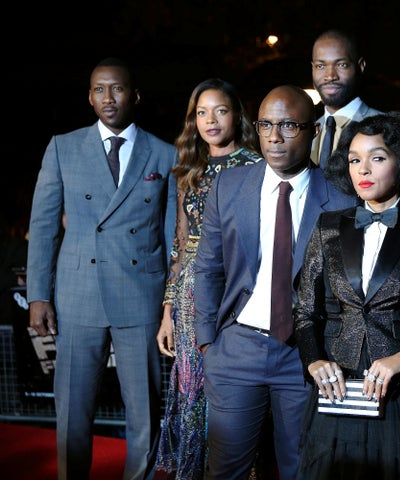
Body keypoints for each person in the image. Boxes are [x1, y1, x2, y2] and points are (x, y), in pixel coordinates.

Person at [293, 111, 400, 479]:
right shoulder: (327, 228)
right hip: (338, 392)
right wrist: (312, 361)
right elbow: (305, 313)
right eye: (355, 159)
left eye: (377, 157)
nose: (364, 170)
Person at [192, 85, 356, 479]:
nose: (274, 137)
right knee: (225, 470)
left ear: (314, 131)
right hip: (236, 349)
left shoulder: (341, 197)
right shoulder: (229, 187)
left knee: (300, 469)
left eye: (288, 125)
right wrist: (207, 342)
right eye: (265, 124)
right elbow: (208, 267)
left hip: (307, 357)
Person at [26, 57, 177, 480]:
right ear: (89, 97)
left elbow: (171, 239)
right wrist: (39, 294)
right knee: (72, 409)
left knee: (144, 411)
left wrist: (169, 305)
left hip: (141, 297)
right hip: (78, 293)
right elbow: (42, 225)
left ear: (135, 95)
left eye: (117, 89)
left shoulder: (164, 153)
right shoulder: (63, 147)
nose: (108, 98)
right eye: (99, 90)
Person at [155, 78, 262, 479]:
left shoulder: (256, 165)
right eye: (202, 112)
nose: (211, 120)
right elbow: (180, 244)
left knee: (233, 390)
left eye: (220, 110)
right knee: (191, 391)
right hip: (188, 299)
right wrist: (167, 311)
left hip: (237, 290)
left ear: (237, 114)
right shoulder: (189, 168)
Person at [310, 28, 383, 170]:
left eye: (341, 65)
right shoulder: (307, 133)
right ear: (312, 68)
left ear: (360, 66)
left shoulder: (386, 127)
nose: (330, 76)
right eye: (320, 66)